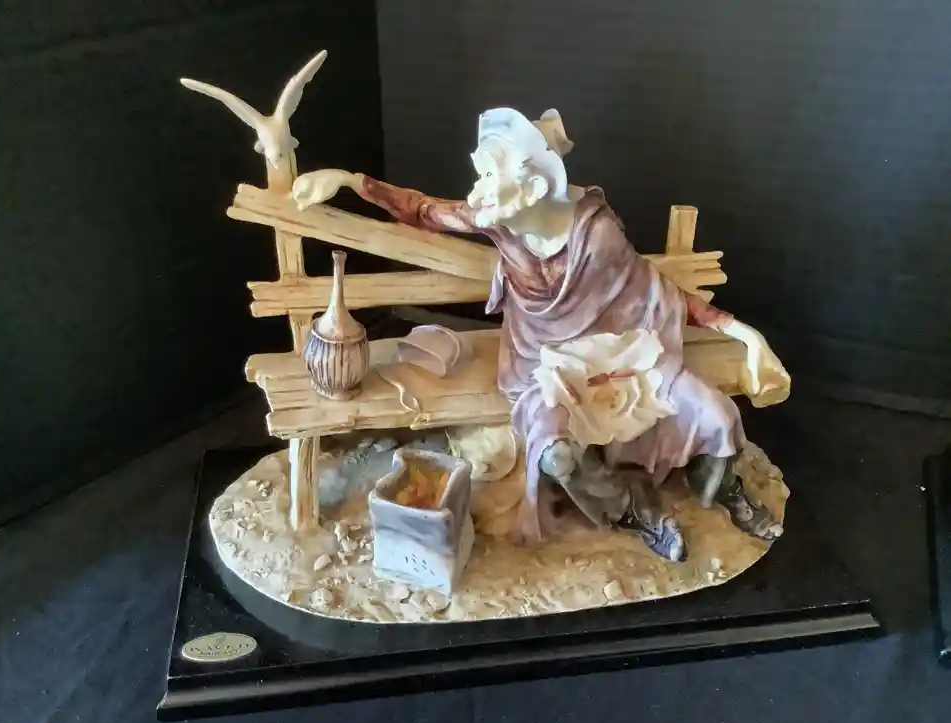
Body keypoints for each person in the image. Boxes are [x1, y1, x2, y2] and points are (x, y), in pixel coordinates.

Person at [291, 107, 789, 561]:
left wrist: (743, 333)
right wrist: (345, 180)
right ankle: (635, 511)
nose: (478, 190)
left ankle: (721, 490)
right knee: (556, 453)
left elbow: (654, 289)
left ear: (530, 186)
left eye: (490, 175)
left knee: (717, 413)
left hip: (615, 355)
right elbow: (422, 209)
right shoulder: (500, 217)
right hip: (539, 365)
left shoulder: (595, 234)